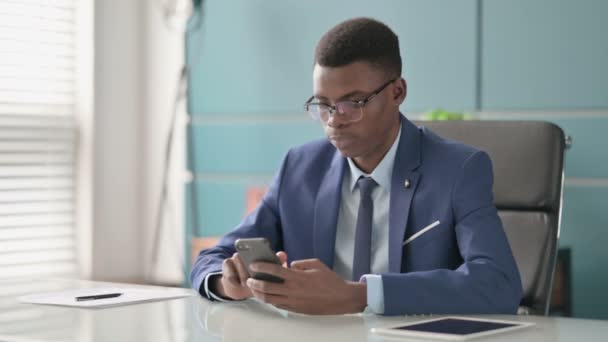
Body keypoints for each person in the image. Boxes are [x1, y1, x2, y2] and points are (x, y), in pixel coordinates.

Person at [190, 17, 522, 316]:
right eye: (323, 105)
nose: (334, 121)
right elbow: (213, 257)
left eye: (353, 103)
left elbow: (498, 283)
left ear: (397, 92)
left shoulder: (459, 169)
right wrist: (226, 282)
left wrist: (360, 296)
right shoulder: (300, 168)